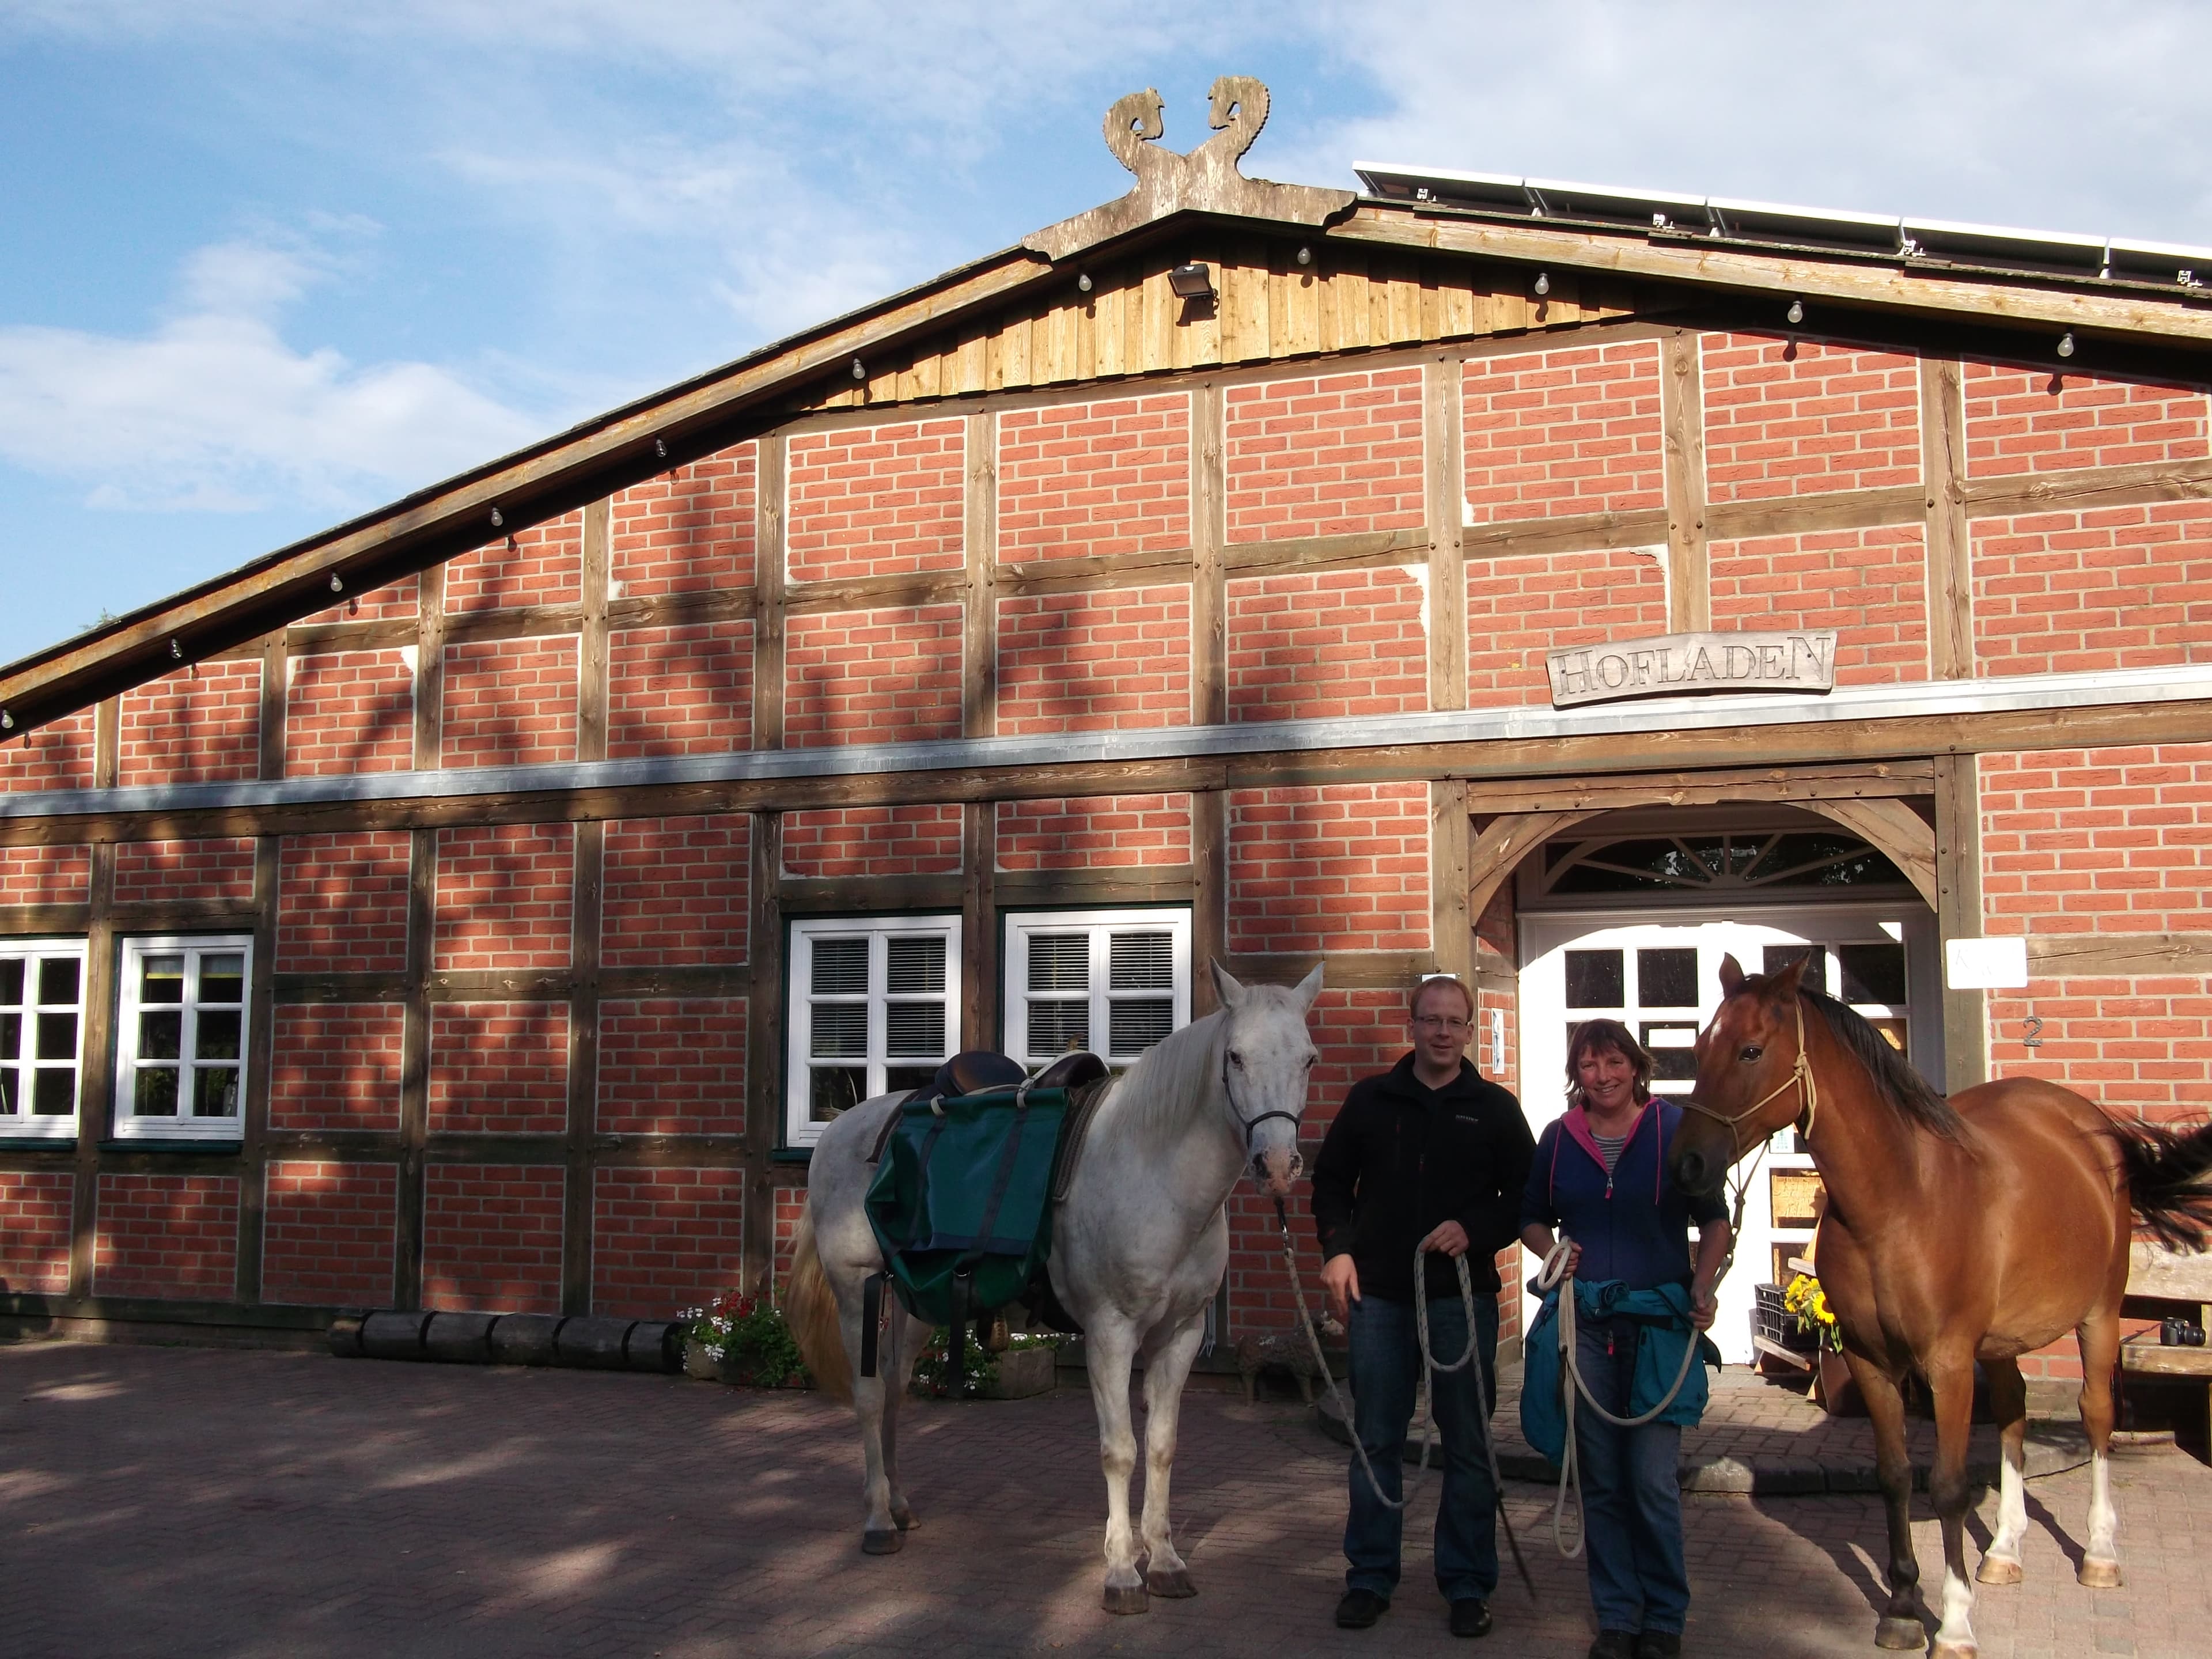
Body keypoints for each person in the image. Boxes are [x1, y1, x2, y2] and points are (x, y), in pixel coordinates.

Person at [1311, 975, 1535, 1638]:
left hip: (1458, 1302)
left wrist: (1475, 1228)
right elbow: (1329, 1181)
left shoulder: (1493, 1108)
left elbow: (1522, 1198)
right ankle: (1370, 1577)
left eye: (1454, 1022)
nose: (1441, 1032)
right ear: (1412, 1025)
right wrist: (1337, 1248)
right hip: (1378, 1296)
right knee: (1375, 1438)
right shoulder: (1371, 1099)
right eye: (1430, 1019)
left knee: (1467, 1445)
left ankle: (1466, 1585)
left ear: (1469, 1031)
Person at [1519, 1021, 1732, 1659]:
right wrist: (1552, 1247)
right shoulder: (1559, 1139)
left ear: (1636, 1067)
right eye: (1589, 1065)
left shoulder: (1672, 1130)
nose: (1603, 1076)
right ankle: (1617, 1616)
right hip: (1585, 1328)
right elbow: (1530, 1214)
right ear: (1575, 1073)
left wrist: (1703, 1284)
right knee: (1603, 1481)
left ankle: (1664, 1618)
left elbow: (1714, 1220)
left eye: (1614, 1062)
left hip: (1660, 1331)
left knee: (1651, 1482)